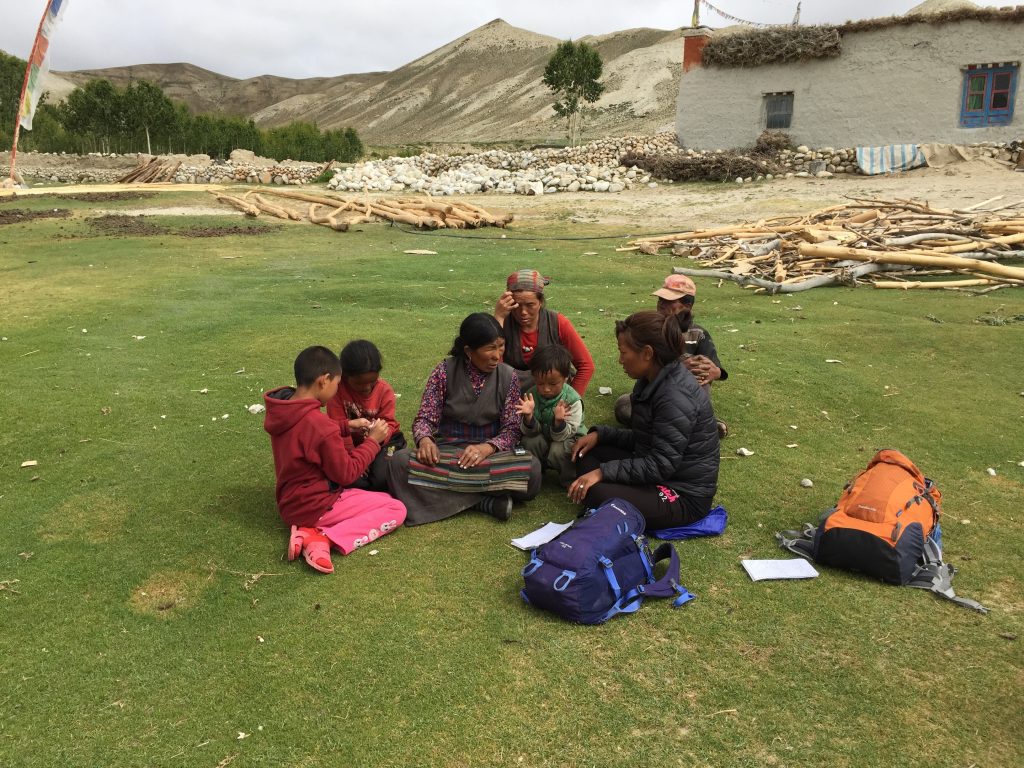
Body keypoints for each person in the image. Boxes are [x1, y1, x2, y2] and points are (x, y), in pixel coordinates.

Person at [386, 313, 542, 525]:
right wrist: (425, 440)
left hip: (490, 456)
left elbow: (511, 430)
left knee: (531, 470)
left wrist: (487, 448)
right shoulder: (444, 372)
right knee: (399, 463)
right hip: (448, 453)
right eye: (490, 348)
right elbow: (425, 418)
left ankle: (453, 494)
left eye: (501, 346)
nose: (497, 355)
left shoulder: (508, 377)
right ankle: (484, 501)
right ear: (469, 351)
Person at [570, 311, 720, 529]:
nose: (620, 360)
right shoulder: (652, 379)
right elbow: (646, 438)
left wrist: (603, 472)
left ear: (647, 353)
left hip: (682, 494)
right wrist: (601, 435)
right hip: (658, 470)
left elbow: (661, 465)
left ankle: (603, 500)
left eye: (624, 352)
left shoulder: (674, 396)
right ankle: (607, 497)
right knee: (587, 452)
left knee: (597, 491)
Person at [264, 346, 407, 574]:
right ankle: (321, 537)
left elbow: (309, 431)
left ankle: (307, 528)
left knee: (378, 496)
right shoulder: (320, 428)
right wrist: (372, 441)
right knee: (395, 508)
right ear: (324, 381)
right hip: (317, 504)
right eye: (337, 384)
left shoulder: (284, 410)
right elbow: (347, 473)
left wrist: (345, 425)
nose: (338, 389)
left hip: (290, 502)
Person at [615, 273, 729, 438]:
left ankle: (691, 422)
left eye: (668, 300)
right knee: (623, 407)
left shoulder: (698, 334)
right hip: (653, 394)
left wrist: (712, 371)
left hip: (686, 397)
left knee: (695, 374)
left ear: (687, 306)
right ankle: (696, 426)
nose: (661, 303)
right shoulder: (651, 331)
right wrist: (678, 368)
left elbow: (716, 370)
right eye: (661, 299)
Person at [493, 268, 595, 396]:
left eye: (530, 305)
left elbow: (586, 366)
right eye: (517, 305)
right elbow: (491, 366)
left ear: (540, 302)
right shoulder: (502, 323)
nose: (523, 312)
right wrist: (498, 319)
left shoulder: (557, 323)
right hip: (512, 393)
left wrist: (570, 401)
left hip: (551, 397)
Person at [326, 339, 406, 492]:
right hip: (352, 446)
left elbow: (387, 425)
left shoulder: (384, 391)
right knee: (352, 478)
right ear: (344, 376)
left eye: (372, 381)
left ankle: (394, 459)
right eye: (359, 383)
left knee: (382, 477)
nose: (367, 388)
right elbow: (340, 427)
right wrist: (353, 457)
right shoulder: (335, 392)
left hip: (386, 443)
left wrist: (371, 450)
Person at [516, 344, 586, 487]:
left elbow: (565, 435)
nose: (546, 389)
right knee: (530, 442)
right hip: (544, 435)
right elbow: (530, 431)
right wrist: (528, 417)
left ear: (566, 378)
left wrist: (559, 422)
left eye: (553, 383)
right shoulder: (531, 394)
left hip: (568, 438)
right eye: (540, 383)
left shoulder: (572, 400)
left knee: (558, 450)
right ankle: (536, 473)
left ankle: (569, 479)